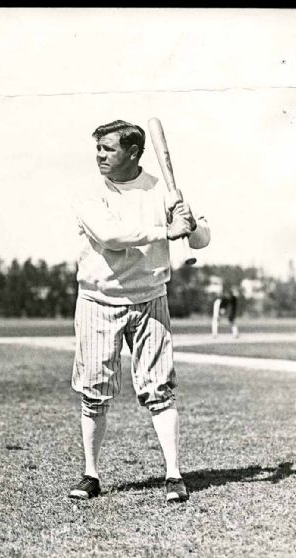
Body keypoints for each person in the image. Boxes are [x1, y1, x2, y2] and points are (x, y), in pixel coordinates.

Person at [69, 120, 210, 503]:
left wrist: (188, 221)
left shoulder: (159, 190)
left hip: (150, 298)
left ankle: (173, 475)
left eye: (108, 149)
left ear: (133, 152)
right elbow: (111, 237)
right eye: (98, 149)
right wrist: (166, 231)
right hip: (99, 300)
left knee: (160, 389)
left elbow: (201, 240)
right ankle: (90, 474)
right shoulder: (89, 193)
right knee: (95, 393)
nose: (100, 156)